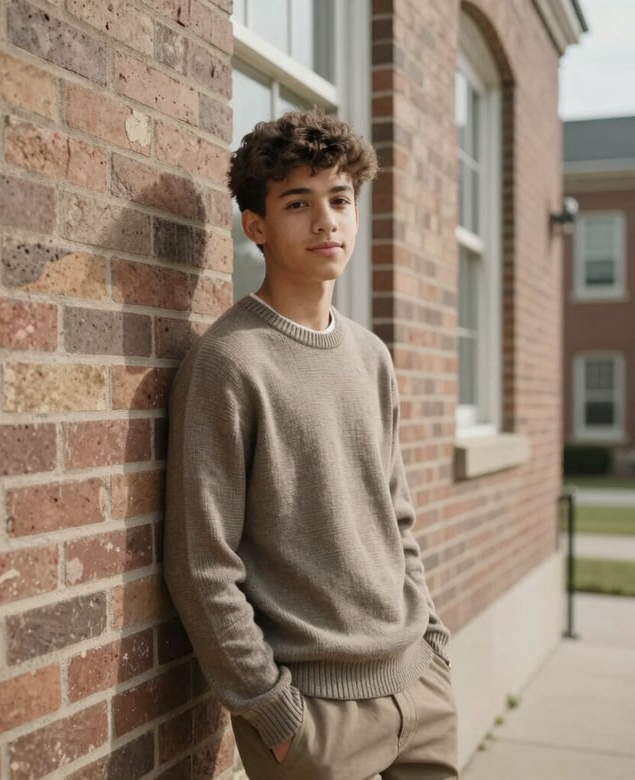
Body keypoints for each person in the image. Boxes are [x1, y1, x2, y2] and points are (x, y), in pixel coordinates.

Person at [164, 110, 458, 780]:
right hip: (316, 716)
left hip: (421, 684)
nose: (325, 220)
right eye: (298, 203)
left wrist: (433, 641)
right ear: (257, 226)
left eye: (339, 199)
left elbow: (396, 515)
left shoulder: (371, 355)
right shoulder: (229, 363)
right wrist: (275, 714)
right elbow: (201, 564)